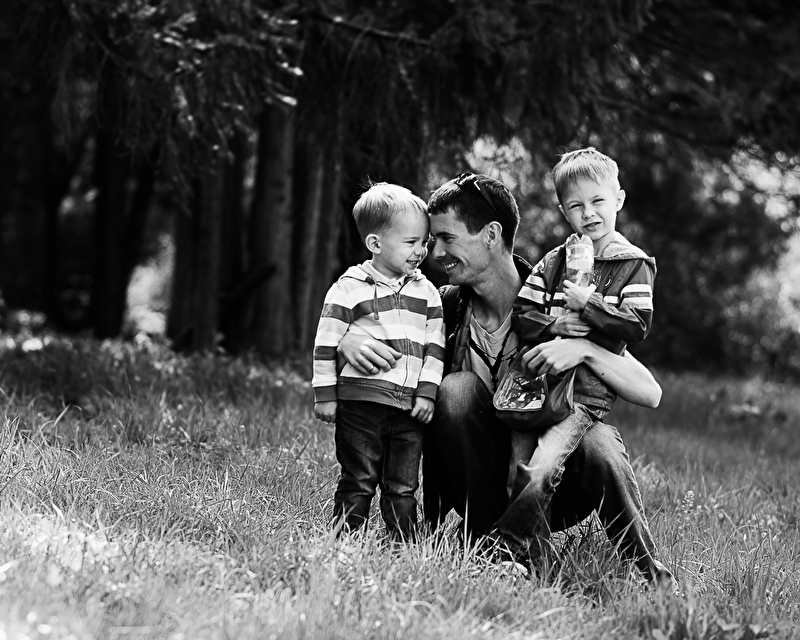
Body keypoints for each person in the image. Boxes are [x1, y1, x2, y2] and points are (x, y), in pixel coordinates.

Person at [338, 172, 672, 584]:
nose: (434, 252)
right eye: (432, 239)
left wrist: (585, 349)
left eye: (447, 238)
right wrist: (348, 338)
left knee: (599, 441)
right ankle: (491, 548)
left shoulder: (552, 298)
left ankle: (649, 574)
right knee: (457, 389)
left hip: (548, 478)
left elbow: (650, 392)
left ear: (491, 235)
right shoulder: (441, 308)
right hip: (475, 478)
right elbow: (372, 320)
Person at [497, 147, 658, 557]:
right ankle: (534, 561)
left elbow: (637, 324)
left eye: (598, 201)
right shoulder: (553, 263)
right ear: (563, 211)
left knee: (541, 471)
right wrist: (554, 326)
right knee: (518, 474)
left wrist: (590, 304)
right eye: (576, 206)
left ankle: (503, 549)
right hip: (534, 388)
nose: (589, 213)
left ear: (618, 199)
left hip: (582, 396)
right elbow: (522, 316)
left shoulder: (632, 265)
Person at [312, 181, 446, 541]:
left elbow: (435, 347)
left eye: (424, 242)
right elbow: (326, 341)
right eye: (411, 242)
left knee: (403, 486)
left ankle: (405, 543)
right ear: (375, 243)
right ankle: (344, 539)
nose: (421, 251)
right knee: (358, 479)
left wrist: (427, 393)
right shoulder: (348, 287)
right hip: (361, 405)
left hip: (408, 411)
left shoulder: (427, 293)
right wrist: (325, 395)